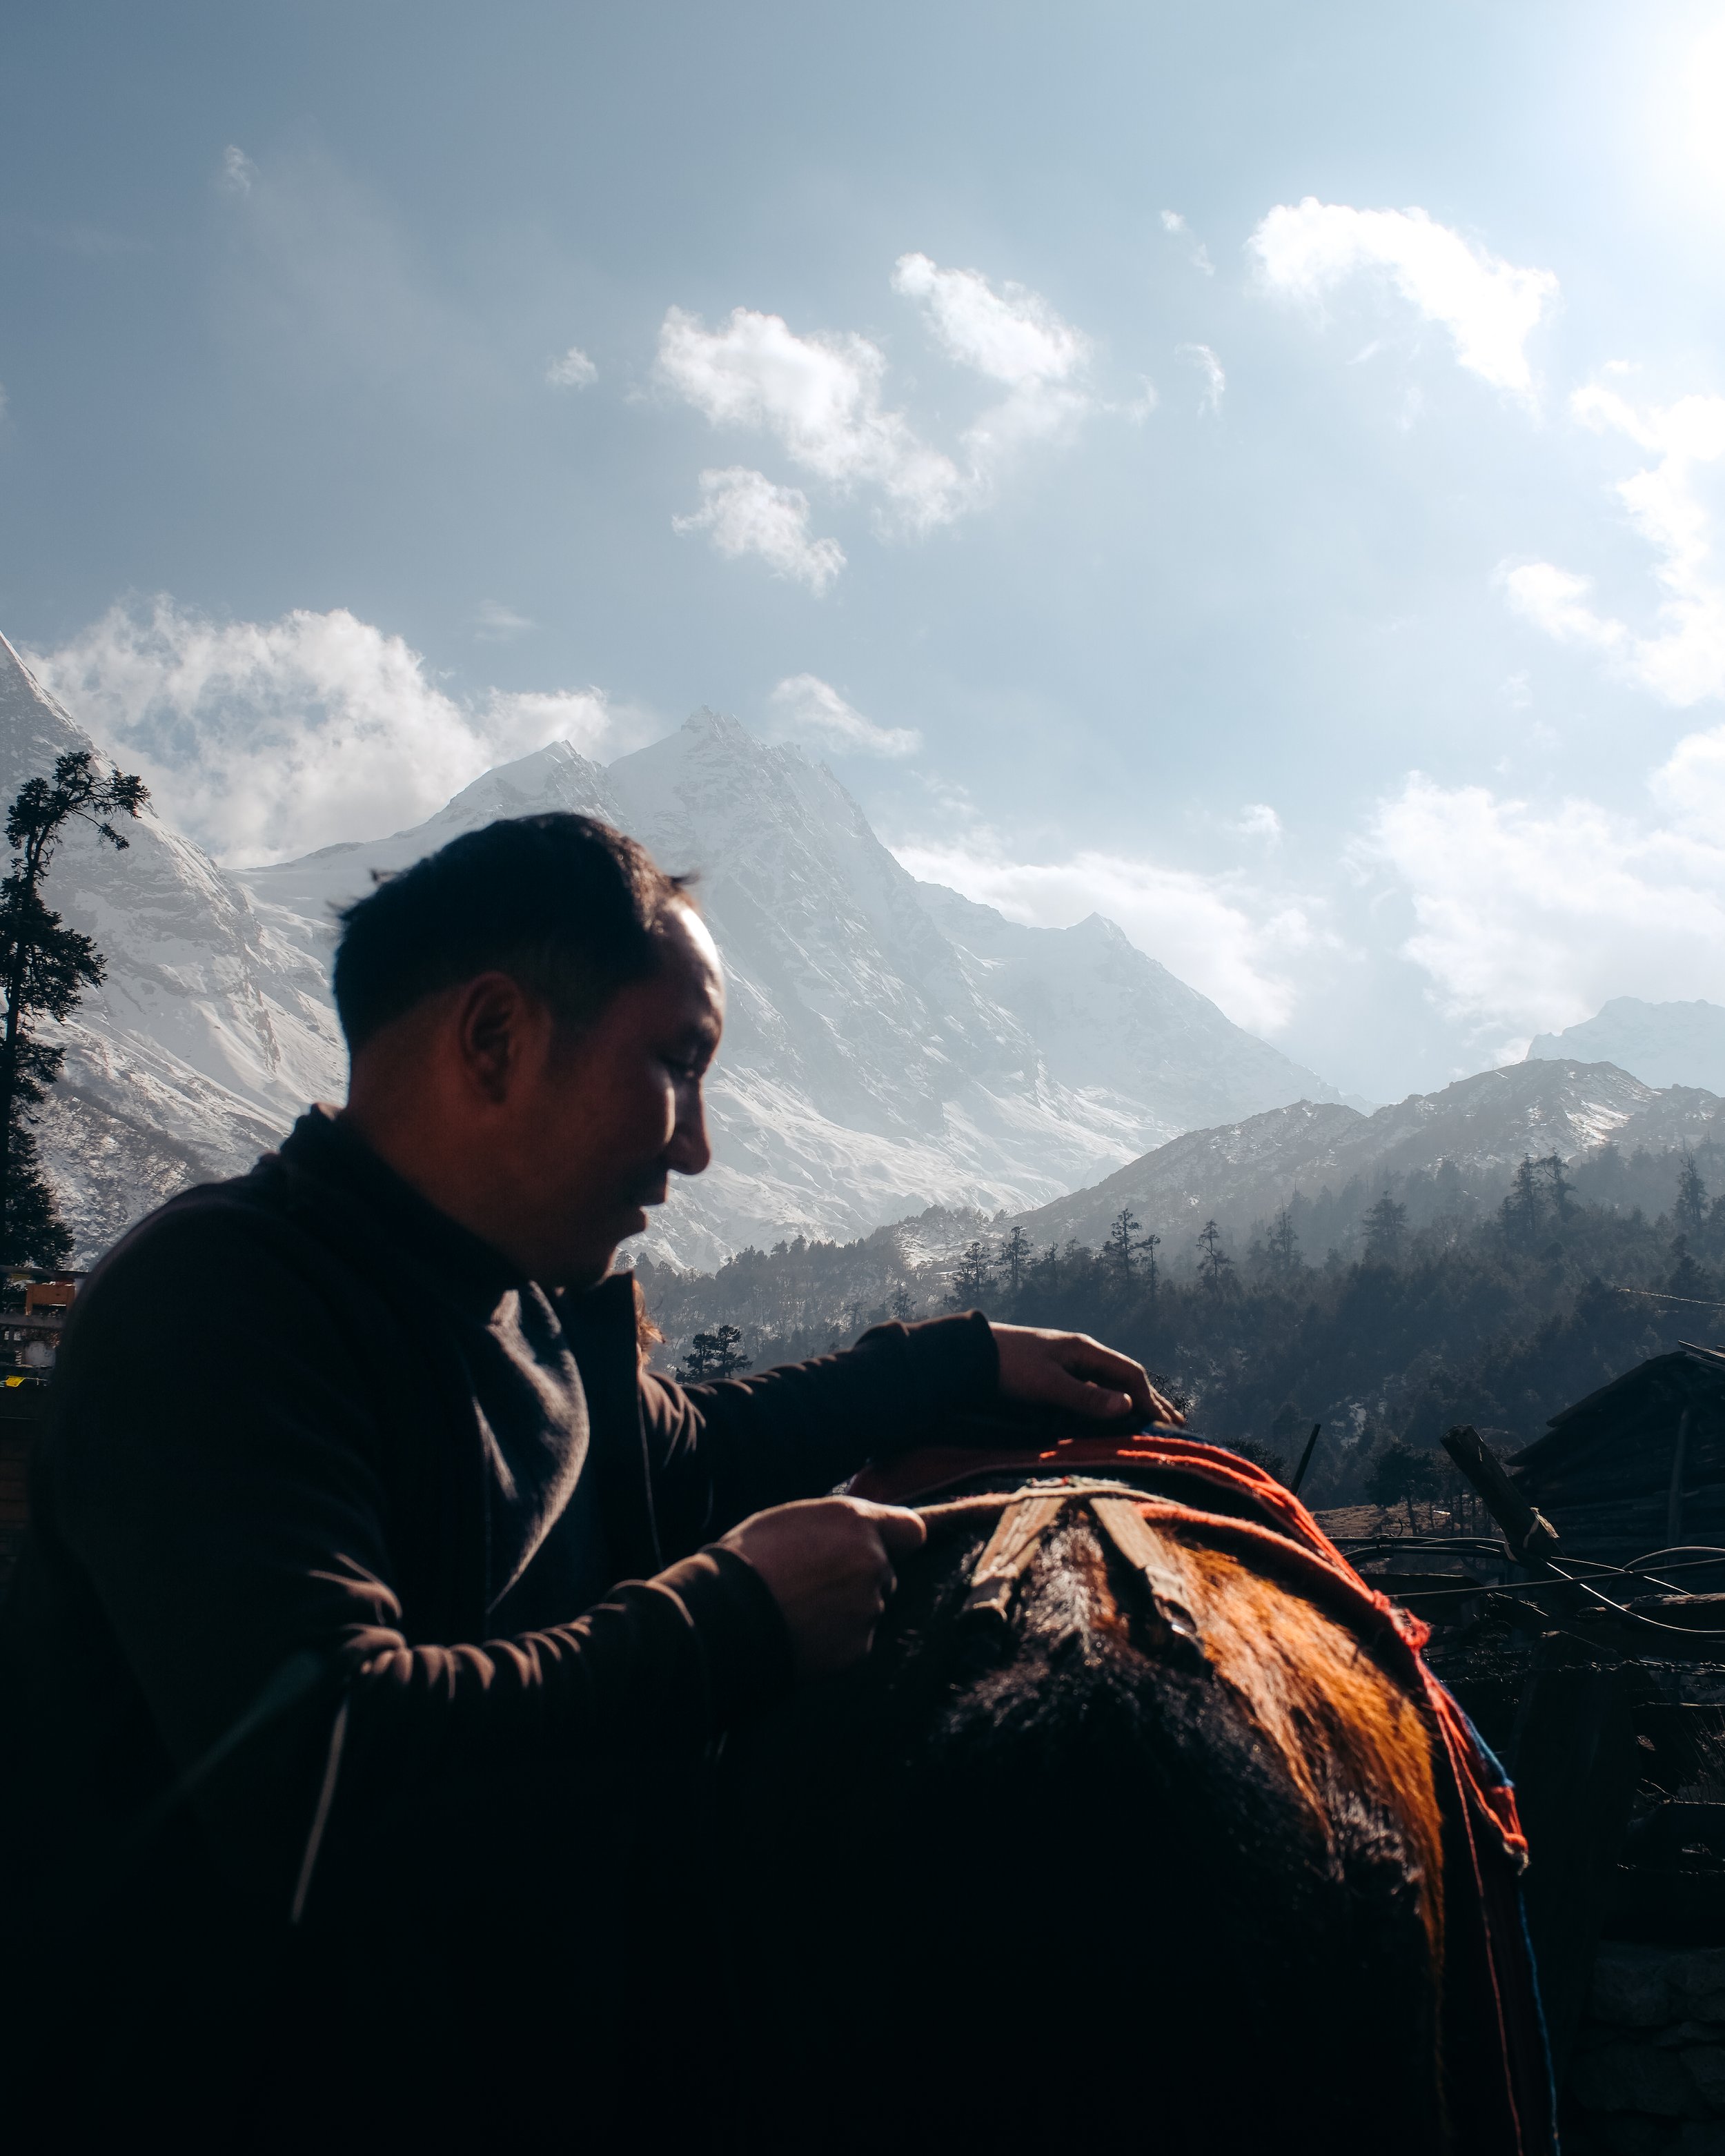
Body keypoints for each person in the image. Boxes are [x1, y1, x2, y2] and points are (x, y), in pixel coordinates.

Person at [1, 813, 1177, 2148]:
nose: (697, 1148)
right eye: (678, 1063)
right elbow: (319, 1769)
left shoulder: (519, 1305)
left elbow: (691, 1451)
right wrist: (733, 1622)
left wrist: (965, 1357)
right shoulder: (224, 1305)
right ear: (494, 1039)